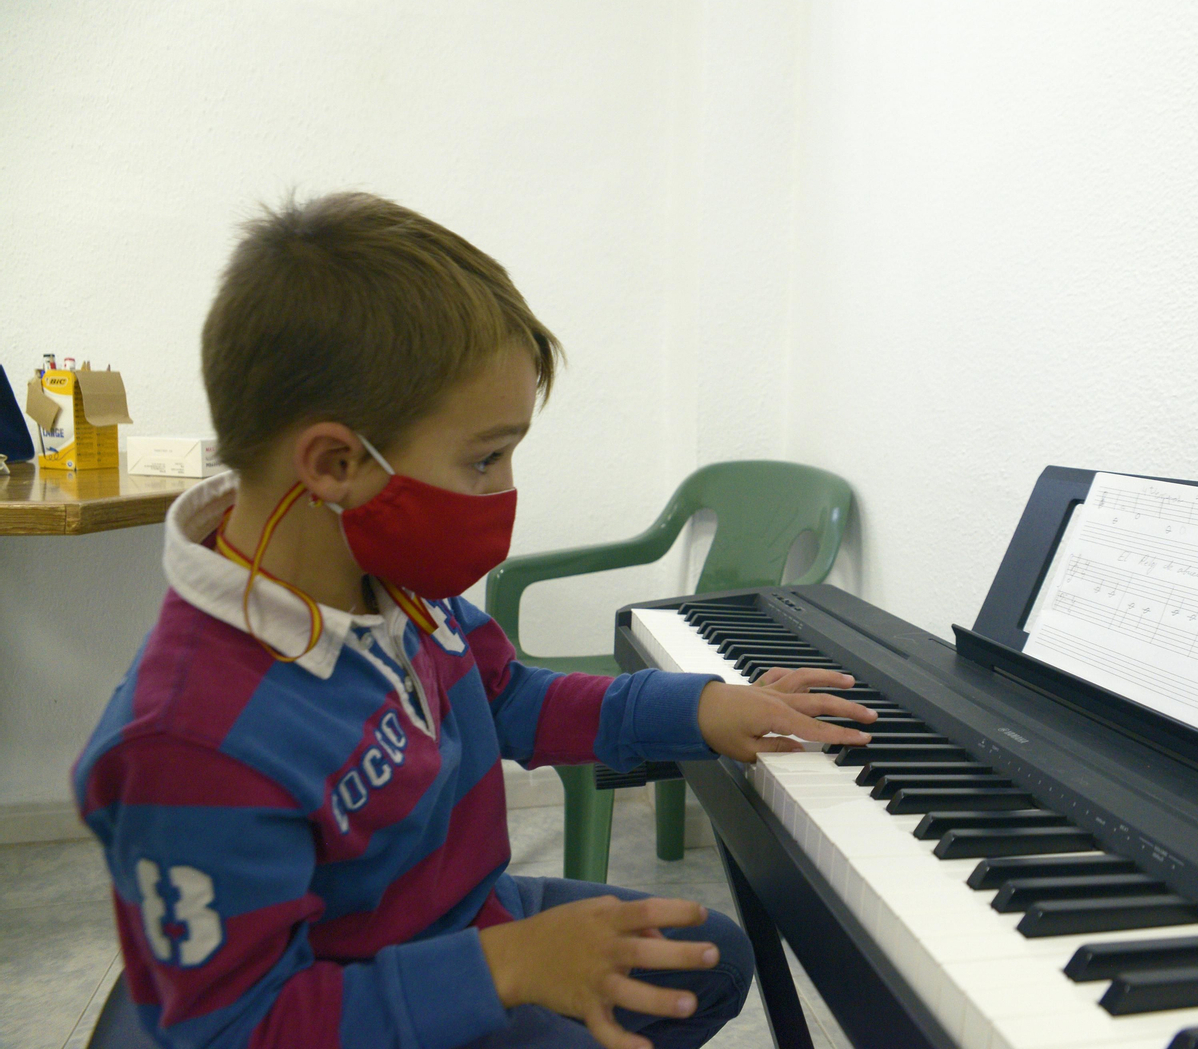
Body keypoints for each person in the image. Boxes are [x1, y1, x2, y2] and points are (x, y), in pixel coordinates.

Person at [71, 192, 875, 1049]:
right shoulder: (188, 743)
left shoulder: (384, 584)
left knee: (709, 959)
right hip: (364, 1001)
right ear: (335, 464)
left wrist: (700, 708)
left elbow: (507, 698)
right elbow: (238, 1029)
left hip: (461, 919)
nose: (505, 490)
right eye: (485, 457)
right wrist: (506, 968)